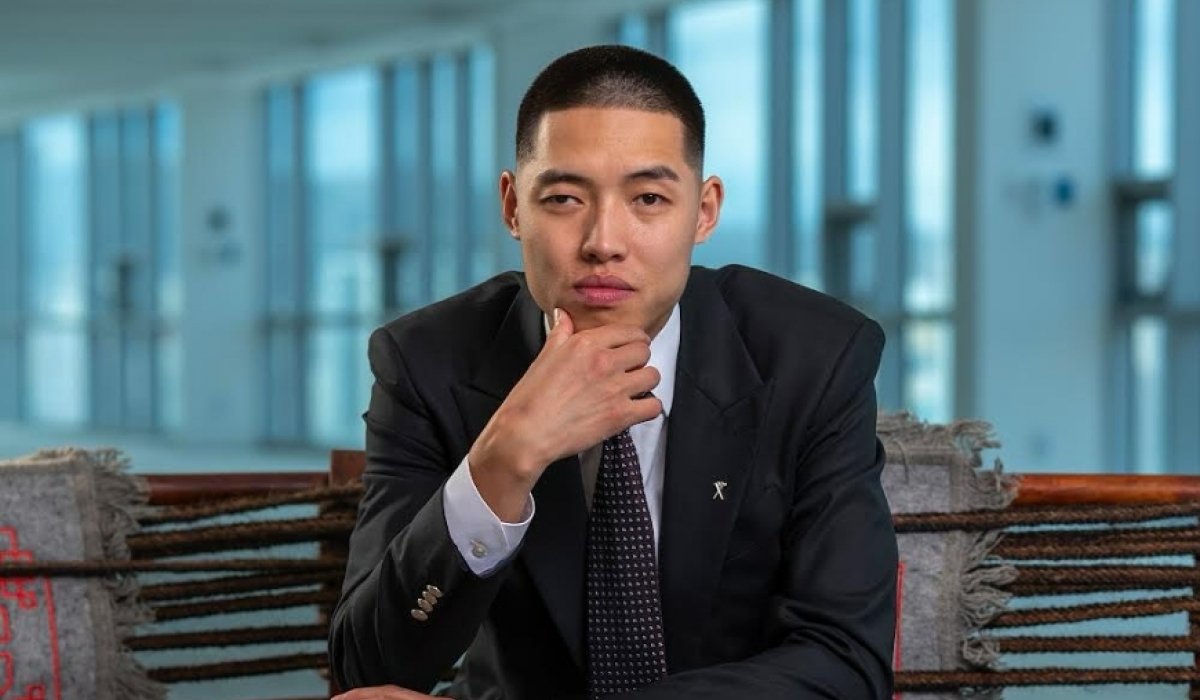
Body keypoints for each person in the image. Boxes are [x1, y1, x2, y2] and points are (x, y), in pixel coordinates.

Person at [329, 44, 897, 700]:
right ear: (513, 207)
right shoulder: (427, 361)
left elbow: (846, 662)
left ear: (704, 211)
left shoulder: (813, 356)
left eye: (648, 198)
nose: (603, 241)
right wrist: (503, 462)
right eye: (564, 198)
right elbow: (369, 672)